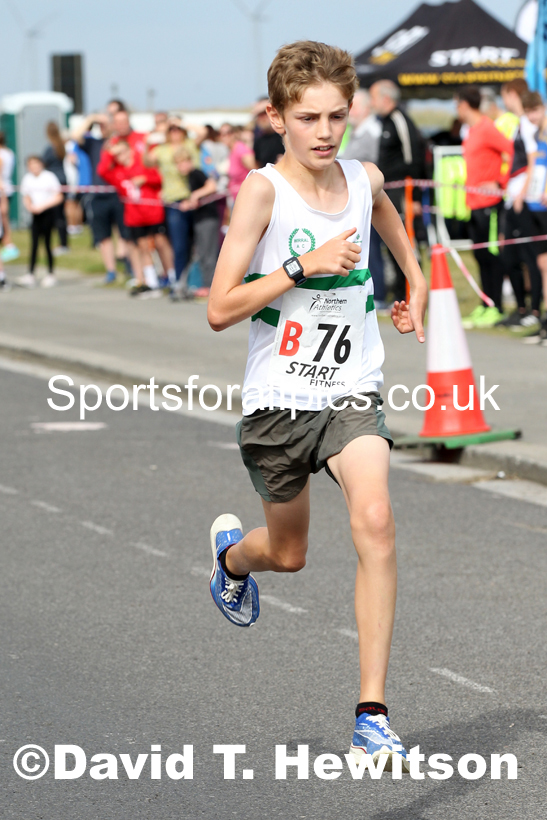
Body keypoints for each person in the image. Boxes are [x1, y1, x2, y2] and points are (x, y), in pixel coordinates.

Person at [207, 40, 427, 768]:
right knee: (290, 554)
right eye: (308, 117)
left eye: (337, 114)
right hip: (279, 398)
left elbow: (391, 222)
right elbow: (219, 307)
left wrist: (415, 285)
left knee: (375, 519)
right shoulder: (263, 192)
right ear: (277, 118)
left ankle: (371, 711)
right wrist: (299, 266)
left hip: (349, 387)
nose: (325, 130)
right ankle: (235, 561)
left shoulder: (363, 177)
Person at [456, 86, 514, 328]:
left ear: (465, 105)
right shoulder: (471, 131)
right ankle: (486, 303)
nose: (456, 109)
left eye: (456, 104)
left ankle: (496, 307)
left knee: (491, 255)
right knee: (479, 255)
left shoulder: (487, 128)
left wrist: (499, 181)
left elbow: (511, 152)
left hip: (490, 203)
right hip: (474, 203)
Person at [369, 80, 425, 303]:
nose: (372, 103)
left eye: (373, 98)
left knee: (406, 242)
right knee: (390, 243)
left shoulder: (400, 120)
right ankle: (401, 294)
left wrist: (416, 197)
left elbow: (415, 160)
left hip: (404, 191)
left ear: (386, 98)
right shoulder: (383, 122)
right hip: (387, 191)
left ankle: (414, 293)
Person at [496, 79, 543, 330]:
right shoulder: (519, 123)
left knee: (529, 255)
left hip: (524, 197)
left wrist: (523, 193)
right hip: (515, 194)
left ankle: (534, 308)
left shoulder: (528, 123)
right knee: (512, 253)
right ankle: (523, 307)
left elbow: (536, 159)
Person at [97, 140, 169, 296]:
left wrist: (145, 180)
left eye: (123, 152)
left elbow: (159, 179)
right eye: (117, 154)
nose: (120, 156)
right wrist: (109, 153)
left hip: (153, 212)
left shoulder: (142, 163)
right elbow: (102, 171)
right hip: (134, 216)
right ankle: (151, 281)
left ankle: (170, 275)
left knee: (161, 243)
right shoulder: (117, 172)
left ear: (129, 150)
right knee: (143, 247)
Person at [72, 113, 132, 284]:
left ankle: (129, 266)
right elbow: (75, 136)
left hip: (118, 194)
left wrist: (111, 125)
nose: (104, 127)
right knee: (103, 236)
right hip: (98, 195)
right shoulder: (93, 143)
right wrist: (91, 119)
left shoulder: (119, 142)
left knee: (124, 233)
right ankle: (111, 270)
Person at [341, 89, 386, 307]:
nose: (352, 113)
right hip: (355, 198)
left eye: (355, 107)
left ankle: (378, 294)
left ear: (366, 108)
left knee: (373, 248)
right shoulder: (356, 130)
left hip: (369, 196)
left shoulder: (372, 131)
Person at [144, 119, 199, 285]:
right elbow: (147, 162)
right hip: (174, 201)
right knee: (179, 244)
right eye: (171, 129)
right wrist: (148, 143)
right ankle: (179, 281)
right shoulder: (162, 149)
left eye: (178, 129)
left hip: (194, 198)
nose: (175, 132)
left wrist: (181, 122)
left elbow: (202, 132)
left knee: (195, 245)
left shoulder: (189, 144)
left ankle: (193, 281)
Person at [174, 147, 219, 298]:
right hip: (200, 218)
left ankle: (211, 287)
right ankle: (207, 284)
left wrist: (195, 195)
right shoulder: (189, 177)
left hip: (208, 218)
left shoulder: (196, 173)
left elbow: (212, 186)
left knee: (209, 254)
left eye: (182, 163)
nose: (180, 167)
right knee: (202, 252)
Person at [522, 91, 547, 343]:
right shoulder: (537, 132)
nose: (531, 117)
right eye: (527, 112)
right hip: (536, 205)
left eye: (534, 111)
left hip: (544, 204)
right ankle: (543, 323)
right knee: (541, 264)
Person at [17, 156, 64, 288]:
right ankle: (31, 273)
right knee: (34, 244)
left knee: (47, 244)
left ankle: (50, 273)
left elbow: (58, 196)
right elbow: (26, 197)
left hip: (47, 213)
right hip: (35, 214)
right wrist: (30, 207)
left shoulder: (49, 177)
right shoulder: (27, 179)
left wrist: (42, 206)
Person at [43, 121, 69, 254]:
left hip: (54, 183)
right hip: (63, 181)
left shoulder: (50, 148)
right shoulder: (61, 145)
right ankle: (64, 243)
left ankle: (62, 244)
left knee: (57, 215)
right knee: (61, 215)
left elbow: (44, 163)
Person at [219, 123, 256, 202]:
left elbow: (256, 171)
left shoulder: (241, 150)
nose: (223, 137)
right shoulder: (230, 150)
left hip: (247, 199)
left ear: (234, 134)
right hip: (235, 198)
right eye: (221, 134)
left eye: (227, 133)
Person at [0, 132, 19, 261]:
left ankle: (9, 244)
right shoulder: (9, 152)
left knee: (3, 219)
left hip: (2, 189)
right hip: (6, 188)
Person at [253, 97, 285, 167]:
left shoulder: (285, 135)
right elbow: (258, 164)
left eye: (264, 113)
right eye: (259, 115)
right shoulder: (259, 141)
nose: (262, 118)